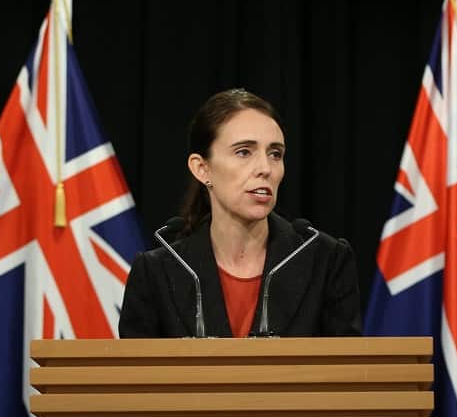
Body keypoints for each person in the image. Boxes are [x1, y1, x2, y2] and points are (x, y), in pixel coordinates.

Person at [119, 88, 361, 338]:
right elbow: (136, 374)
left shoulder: (326, 261)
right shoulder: (157, 272)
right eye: (244, 152)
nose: (265, 168)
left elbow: (346, 372)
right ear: (202, 168)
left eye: (275, 154)